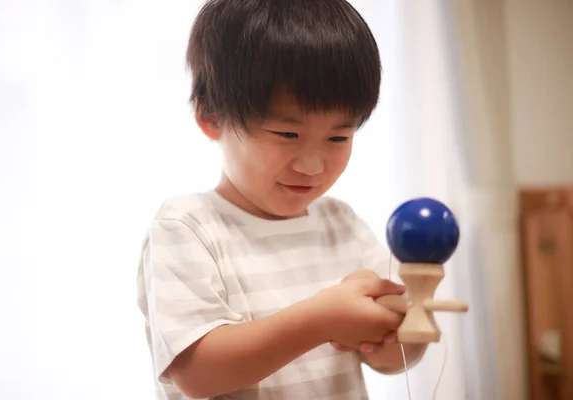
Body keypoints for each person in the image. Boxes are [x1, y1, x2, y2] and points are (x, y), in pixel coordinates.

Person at [137, 0, 428, 398]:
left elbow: (392, 360)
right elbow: (197, 372)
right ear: (211, 115)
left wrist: (401, 327)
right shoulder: (188, 227)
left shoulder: (341, 225)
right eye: (286, 134)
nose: (312, 165)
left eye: (338, 138)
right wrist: (321, 320)